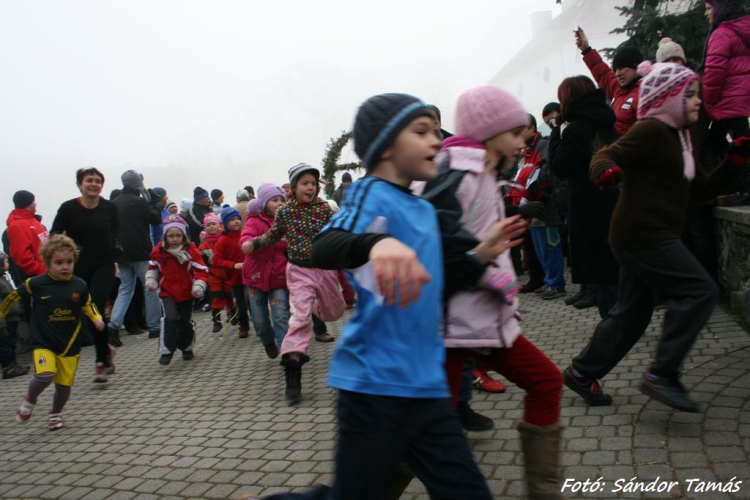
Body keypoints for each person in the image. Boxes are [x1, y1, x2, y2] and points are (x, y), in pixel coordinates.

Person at [259, 93, 498, 500]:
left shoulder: (422, 210)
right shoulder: (370, 193)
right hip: (374, 389)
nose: (435, 141)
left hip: (427, 386)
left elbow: (434, 282)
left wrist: (480, 256)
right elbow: (325, 245)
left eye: (437, 132)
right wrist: (374, 244)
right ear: (385, 145)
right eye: (421, 132)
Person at [564, 61, 750, 413]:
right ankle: (662, 374)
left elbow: (698, 192)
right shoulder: (651, 130)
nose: (698, 101)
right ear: (669, 97)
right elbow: (606, 154)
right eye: (690, 94)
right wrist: (605, 171)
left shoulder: (679, 140)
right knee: (700, 290)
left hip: (642, 235)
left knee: (631, 316)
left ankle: (580, 371)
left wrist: (733, 163)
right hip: (642, 234)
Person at [419, 85, 564, 499]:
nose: (523, 141)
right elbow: (441, 245)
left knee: (546, 382)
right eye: (516, 132)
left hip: (482, 319)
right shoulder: (457, 177)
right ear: (489, 132)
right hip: (451, 328)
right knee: (435, 432)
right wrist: (489, 270)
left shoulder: (481, 173)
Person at [243, 163, 345, 402]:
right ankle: (292, 362)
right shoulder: (286, 212)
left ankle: (312, 307)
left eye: (313, 183)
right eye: (304, 183)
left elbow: (340, 231)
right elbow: (274, 234)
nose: (310, 188)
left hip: (325, 268)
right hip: (299, 270)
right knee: (299, 318)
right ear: (294, 187)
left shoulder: (324, 209)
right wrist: (255, 243)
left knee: (334, 311)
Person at [1, 235, 104, 431]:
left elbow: (88, 305)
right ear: (47, 264)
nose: (65, 267)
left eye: (69, 262)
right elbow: (13, 295)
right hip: (43, 342)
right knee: (44, 376)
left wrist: (96, 318)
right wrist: (1, 313)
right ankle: (30, 399)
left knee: (64, 387)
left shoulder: (79, 285)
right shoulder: (36, 284)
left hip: (69, 344)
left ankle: (56, 413)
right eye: (59, 263)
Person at [550, 76, 620, 317]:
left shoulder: (577, 129)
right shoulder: (607, 123)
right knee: (614, 266)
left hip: (588, 206)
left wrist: (557, 133)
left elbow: (558, 166)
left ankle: (612, 328)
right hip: (612, 200)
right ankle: (622, 321)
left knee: (602, 271)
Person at [51, 167, 119, 383]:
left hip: (104, 265)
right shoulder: (68, 208)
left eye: (98, 181)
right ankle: (105, 349)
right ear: (80, 184)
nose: (94, 184)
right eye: (89, 180)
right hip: (78, 267)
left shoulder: (109, 208)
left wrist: (117, 248)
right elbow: (54, 235)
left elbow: (116, 232)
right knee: (84, 311)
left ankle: (100, 362)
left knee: (96, 306)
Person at [702, 0, 750, 204]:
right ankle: (739, 183)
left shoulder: (721, 33)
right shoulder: (739, 29)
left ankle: (745, 187)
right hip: (738, 98)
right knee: (719, 141)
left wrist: (708, 100)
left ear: (719, 8)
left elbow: (714, 70)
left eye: (708, 8)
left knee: (740, 144)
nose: (706, 13)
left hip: (728, 101)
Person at [107, 170, 163, 344]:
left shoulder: (113, 203)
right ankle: (154, 327)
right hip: (140, 252)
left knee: (125, 289)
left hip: (122, 254)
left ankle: (114, 326)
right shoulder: (139, 202)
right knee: (150, 288)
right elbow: (155, 220)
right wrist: (154, 204)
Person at [146, 215, 208, 365]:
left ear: (183, 236)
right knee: (171, 318)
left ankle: (186, 346)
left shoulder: (191, 251)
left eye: (178, 235)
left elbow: (201, 270)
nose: (175, 239)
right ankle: (167, 350)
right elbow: (153, 268)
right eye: (171, 236)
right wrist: (151, 280)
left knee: (185, 321)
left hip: (187, 292)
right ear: (165, 236)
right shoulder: (159, 253)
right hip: (168, 292)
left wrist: (198, 286)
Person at [241, 184, 290, 359]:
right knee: (259, 319)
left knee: (281, 315)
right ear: (263, 203)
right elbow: (246, 236)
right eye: (274, 200)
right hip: (256, 275)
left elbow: (291, 241)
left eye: (281, 200)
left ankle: (287, 352)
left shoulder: (286, 220)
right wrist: (249, 243)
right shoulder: (254, 220)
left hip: (278, 275)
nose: (278, 204)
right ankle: (268, 340)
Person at [575, 27, 643, 137]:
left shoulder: (646, 93)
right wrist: (586, 49)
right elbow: (602, 72)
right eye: (615, 69)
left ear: (636, 67)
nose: (617, 73)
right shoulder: (618, 89)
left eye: (621, 68)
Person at [214, 207, 251, 339]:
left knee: (252, 301)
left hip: (250, 276)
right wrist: (233, 265)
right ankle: (244, 326)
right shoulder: (222, 241)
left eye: (237, 219)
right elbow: (216, 260)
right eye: (232, 220)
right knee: (240, 304)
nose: (236, 222)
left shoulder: (245, 235)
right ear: (225, 223)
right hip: (234, 278)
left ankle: (259, 324)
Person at [198, 213, 235, 333]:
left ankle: (233, 314)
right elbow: (200, 259)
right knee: (216, 297)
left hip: (227, 272)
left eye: (214, 224)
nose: (211, 227)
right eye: (208, 225)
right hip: (214, 275)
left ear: (219, 225)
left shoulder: (224, 239)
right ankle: (216, 321)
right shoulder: (204, 245)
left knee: (229, 296)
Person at [6, 190, 49, 281]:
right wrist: (40, 271)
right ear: (28, 203)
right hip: (37, 277)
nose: (35, 204)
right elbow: (22, 255)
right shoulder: (16, 225)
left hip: (49, 272)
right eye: (33, 201)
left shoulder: (35, 222)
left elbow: (47, 244)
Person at [0, 251, 30, 379]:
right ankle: (7, 368)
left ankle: (14, 365)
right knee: (6, 344)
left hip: (13, 317)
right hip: (5, 319)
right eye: (6, 262)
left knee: (12, 343)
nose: (8, 264)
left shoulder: (4, 279)